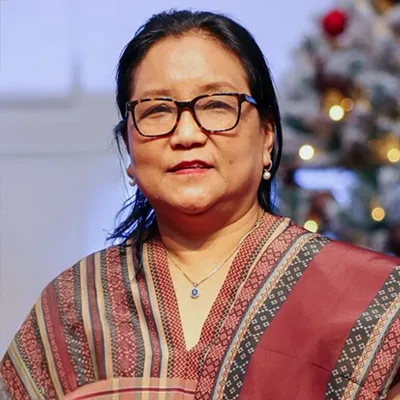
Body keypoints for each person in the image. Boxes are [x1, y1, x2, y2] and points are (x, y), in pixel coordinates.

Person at [1, 9, 400, 400]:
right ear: (129, 148)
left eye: (216, 105)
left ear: (267, 136)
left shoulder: (374, 303)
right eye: (157, 110)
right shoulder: (75, 306)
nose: (187, 134)